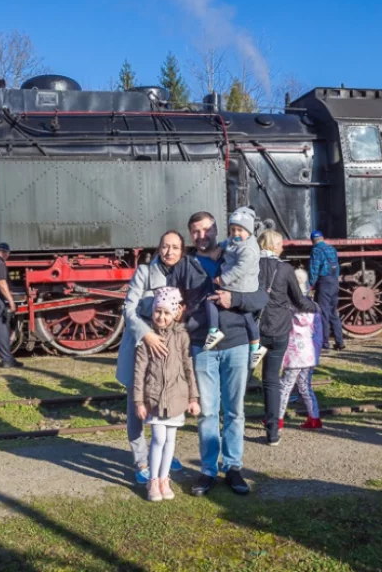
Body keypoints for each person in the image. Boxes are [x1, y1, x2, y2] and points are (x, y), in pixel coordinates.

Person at [167, 211, 269, 497]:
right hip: (203, 345)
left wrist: (234, 298)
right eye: (196, 231)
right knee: (208, 412)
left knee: (235, 411)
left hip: (237, 342)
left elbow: (262, 297)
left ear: (216, 230)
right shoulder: (184, 265)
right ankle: (209, 470)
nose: (202, 236)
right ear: (191, 235)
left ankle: (234, 467)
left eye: (206, 230)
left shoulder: (238, 253)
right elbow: (168, 298)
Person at [115, 231, 186, 485]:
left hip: (168, 352)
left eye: (175, 247)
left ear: (182, 251)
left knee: (167, 402)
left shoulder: (183, 274)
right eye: (165, 246)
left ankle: (165, 453)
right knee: (136, 406)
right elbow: (129, 309)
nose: (170, 252)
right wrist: (146, 334)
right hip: (141, 347)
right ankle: (141, 460)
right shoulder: (144, 273)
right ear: (159, 248)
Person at [133, 286, 201, 502]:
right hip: (154, 398)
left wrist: (193, 398)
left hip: (176, 397)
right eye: (158, 311)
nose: (161, 317)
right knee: (158, 438)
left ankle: (164, 478)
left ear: (174, 314)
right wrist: (139, 401)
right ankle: (153, 480)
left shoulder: (181, 336)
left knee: (170, 439)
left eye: (166, 313)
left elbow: (188, 367)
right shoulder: (147, 338)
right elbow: (139, 372)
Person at [255, 229, 320, 446]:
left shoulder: (251, 265)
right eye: (280, 244)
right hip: (278, 331)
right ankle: (273, 432)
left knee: (241, 377)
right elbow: (299, 301)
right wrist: (316, 307)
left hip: (255, 332)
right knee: (272, 380)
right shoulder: (285, 269)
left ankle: (230, 424)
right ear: (274, 246)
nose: (282, 247)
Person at [204, 207, 265, 367]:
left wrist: (222, 279)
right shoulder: (235, 240)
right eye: (232, 230)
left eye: (240, 230)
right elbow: (228, 242)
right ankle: (256, 347)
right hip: (238, 284)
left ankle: (213, 331)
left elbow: (240, 269)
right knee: (246, 316)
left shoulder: (249, 249)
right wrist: (220, 247)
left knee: (211, 300)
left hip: (242, 285)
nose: (235, 233)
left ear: (249, 231)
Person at [276, 287, 324, 439]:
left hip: (294, 353)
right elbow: (319, 332)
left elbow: (282, 330)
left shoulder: (288, 308)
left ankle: (277, 419)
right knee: (305, 385)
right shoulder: (315, 307)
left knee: (285, 386)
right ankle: (314, 418)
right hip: (309, 352)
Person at [309, 231, 345, 351]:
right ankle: (339, 342)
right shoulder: (332, 249)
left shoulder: (316, 250)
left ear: (313, 241)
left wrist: (311, 284)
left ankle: (325, 343)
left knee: (323, 313)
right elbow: (337, 266)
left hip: (324, 282)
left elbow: (314, 269)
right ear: (322, 238)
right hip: (334, 281)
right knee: (333, 312)